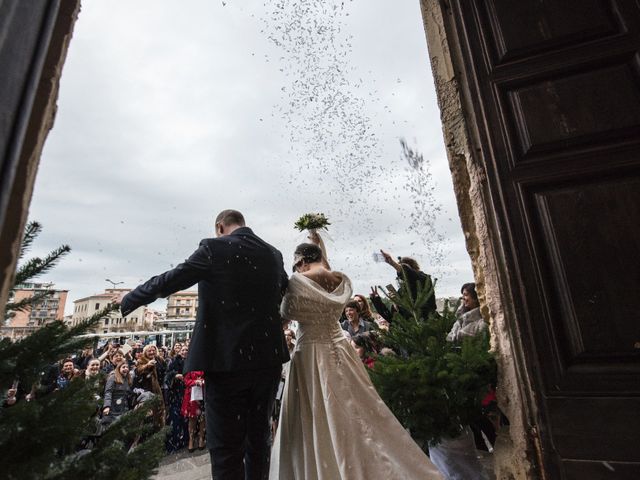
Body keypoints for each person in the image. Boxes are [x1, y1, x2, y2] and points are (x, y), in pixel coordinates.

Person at [117, 209, 289, 480]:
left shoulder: (213, 248)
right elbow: (283, 289)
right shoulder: (273, 253)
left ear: (220, 227)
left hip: (225, 362)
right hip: (267, 360)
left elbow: (172, 279)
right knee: (258, 440)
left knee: (225, 447)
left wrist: (131, 299)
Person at [269, 237, 442, 479]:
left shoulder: (299, 281)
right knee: (361, 408)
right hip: (341, 348)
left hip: (311, 352)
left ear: (300, 261)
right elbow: (324, 275)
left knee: (317, 415)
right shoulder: (338, 278)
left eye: (296, 264)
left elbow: (286, 312)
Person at [165, 344, 189, 453]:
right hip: (176, 393)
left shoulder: (191, 361)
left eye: (186, 350)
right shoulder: (174, 361)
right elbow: (168, 375)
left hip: (187, 393)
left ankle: (184, 440)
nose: (184, 351)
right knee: (175, 419)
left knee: (185, 419)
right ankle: (174, 442)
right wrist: (175, 375)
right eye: (183, 350)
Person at [182, 370, 206, 452]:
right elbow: (186, 381)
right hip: (192, 395)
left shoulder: (204, 364)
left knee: (202, 417)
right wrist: (195, 382)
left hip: (202, 393)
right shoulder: (190, 364)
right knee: (192, 419)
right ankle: (191, 440)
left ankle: (201, 439)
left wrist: (202, 381)